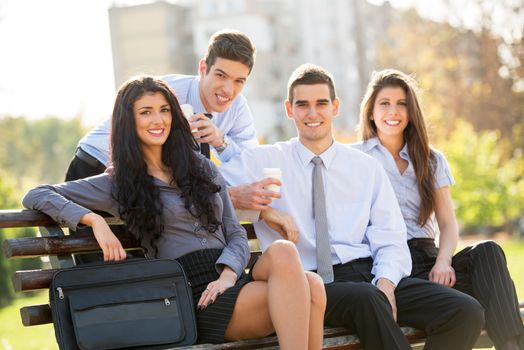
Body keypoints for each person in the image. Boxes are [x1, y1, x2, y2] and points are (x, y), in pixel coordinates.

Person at [23, 75, 326, 349]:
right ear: (129, 122)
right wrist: (94, 220)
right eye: (146, 112)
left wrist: (228, 276)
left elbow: (234, 232)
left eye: (164, 110)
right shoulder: (120, 182)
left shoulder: (201, 167)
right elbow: (37, 194)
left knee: (292, 260)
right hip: (192, 294)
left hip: (228, 279)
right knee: (308, 289)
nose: (158, 119)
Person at [219, 63, 485, 350]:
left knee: (465, 312)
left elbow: (391, 236)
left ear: (334, 107)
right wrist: (261, 210)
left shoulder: (365, 167)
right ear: (289, 109)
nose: (312, 113)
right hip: (313, 283)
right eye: (302, 105)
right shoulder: (262, 161)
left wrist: (386, 282)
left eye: (321, 103)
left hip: (369, 275)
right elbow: (200, 188)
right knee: (367, 300)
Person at [352, 68, 523, 350]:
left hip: (429, 262)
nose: (392, 111)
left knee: (489, 251)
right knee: (470, 308)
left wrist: (443, 261)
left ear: (411, 112)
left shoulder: (431, 159)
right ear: (371, 111)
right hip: (390, 264)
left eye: (401, 103)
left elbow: (447, 223)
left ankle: (510, 347)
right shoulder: (356, 157)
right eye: (384, 103)